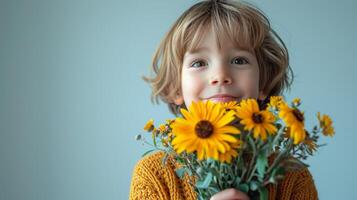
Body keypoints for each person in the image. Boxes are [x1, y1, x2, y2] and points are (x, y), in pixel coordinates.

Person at [130, 0, 318, 199]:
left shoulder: (293, 177)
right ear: (176, 87)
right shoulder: (154, 175)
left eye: (239, 60)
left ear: (263, 83)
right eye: (199, 62)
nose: (220, 75)